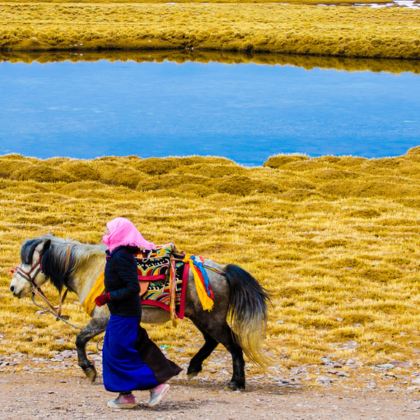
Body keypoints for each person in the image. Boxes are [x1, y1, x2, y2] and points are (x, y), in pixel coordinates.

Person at [95, 217, 182, 409]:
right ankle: (126, 395)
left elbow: (133, 287)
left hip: (125, 314)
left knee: (117, 353)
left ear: (119, 233)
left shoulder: (121, 257)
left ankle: (155, 386)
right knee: (121, 349)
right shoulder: (116, 254)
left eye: (110, 230)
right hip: (122, 312)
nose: (106, 234)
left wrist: (109, 296)